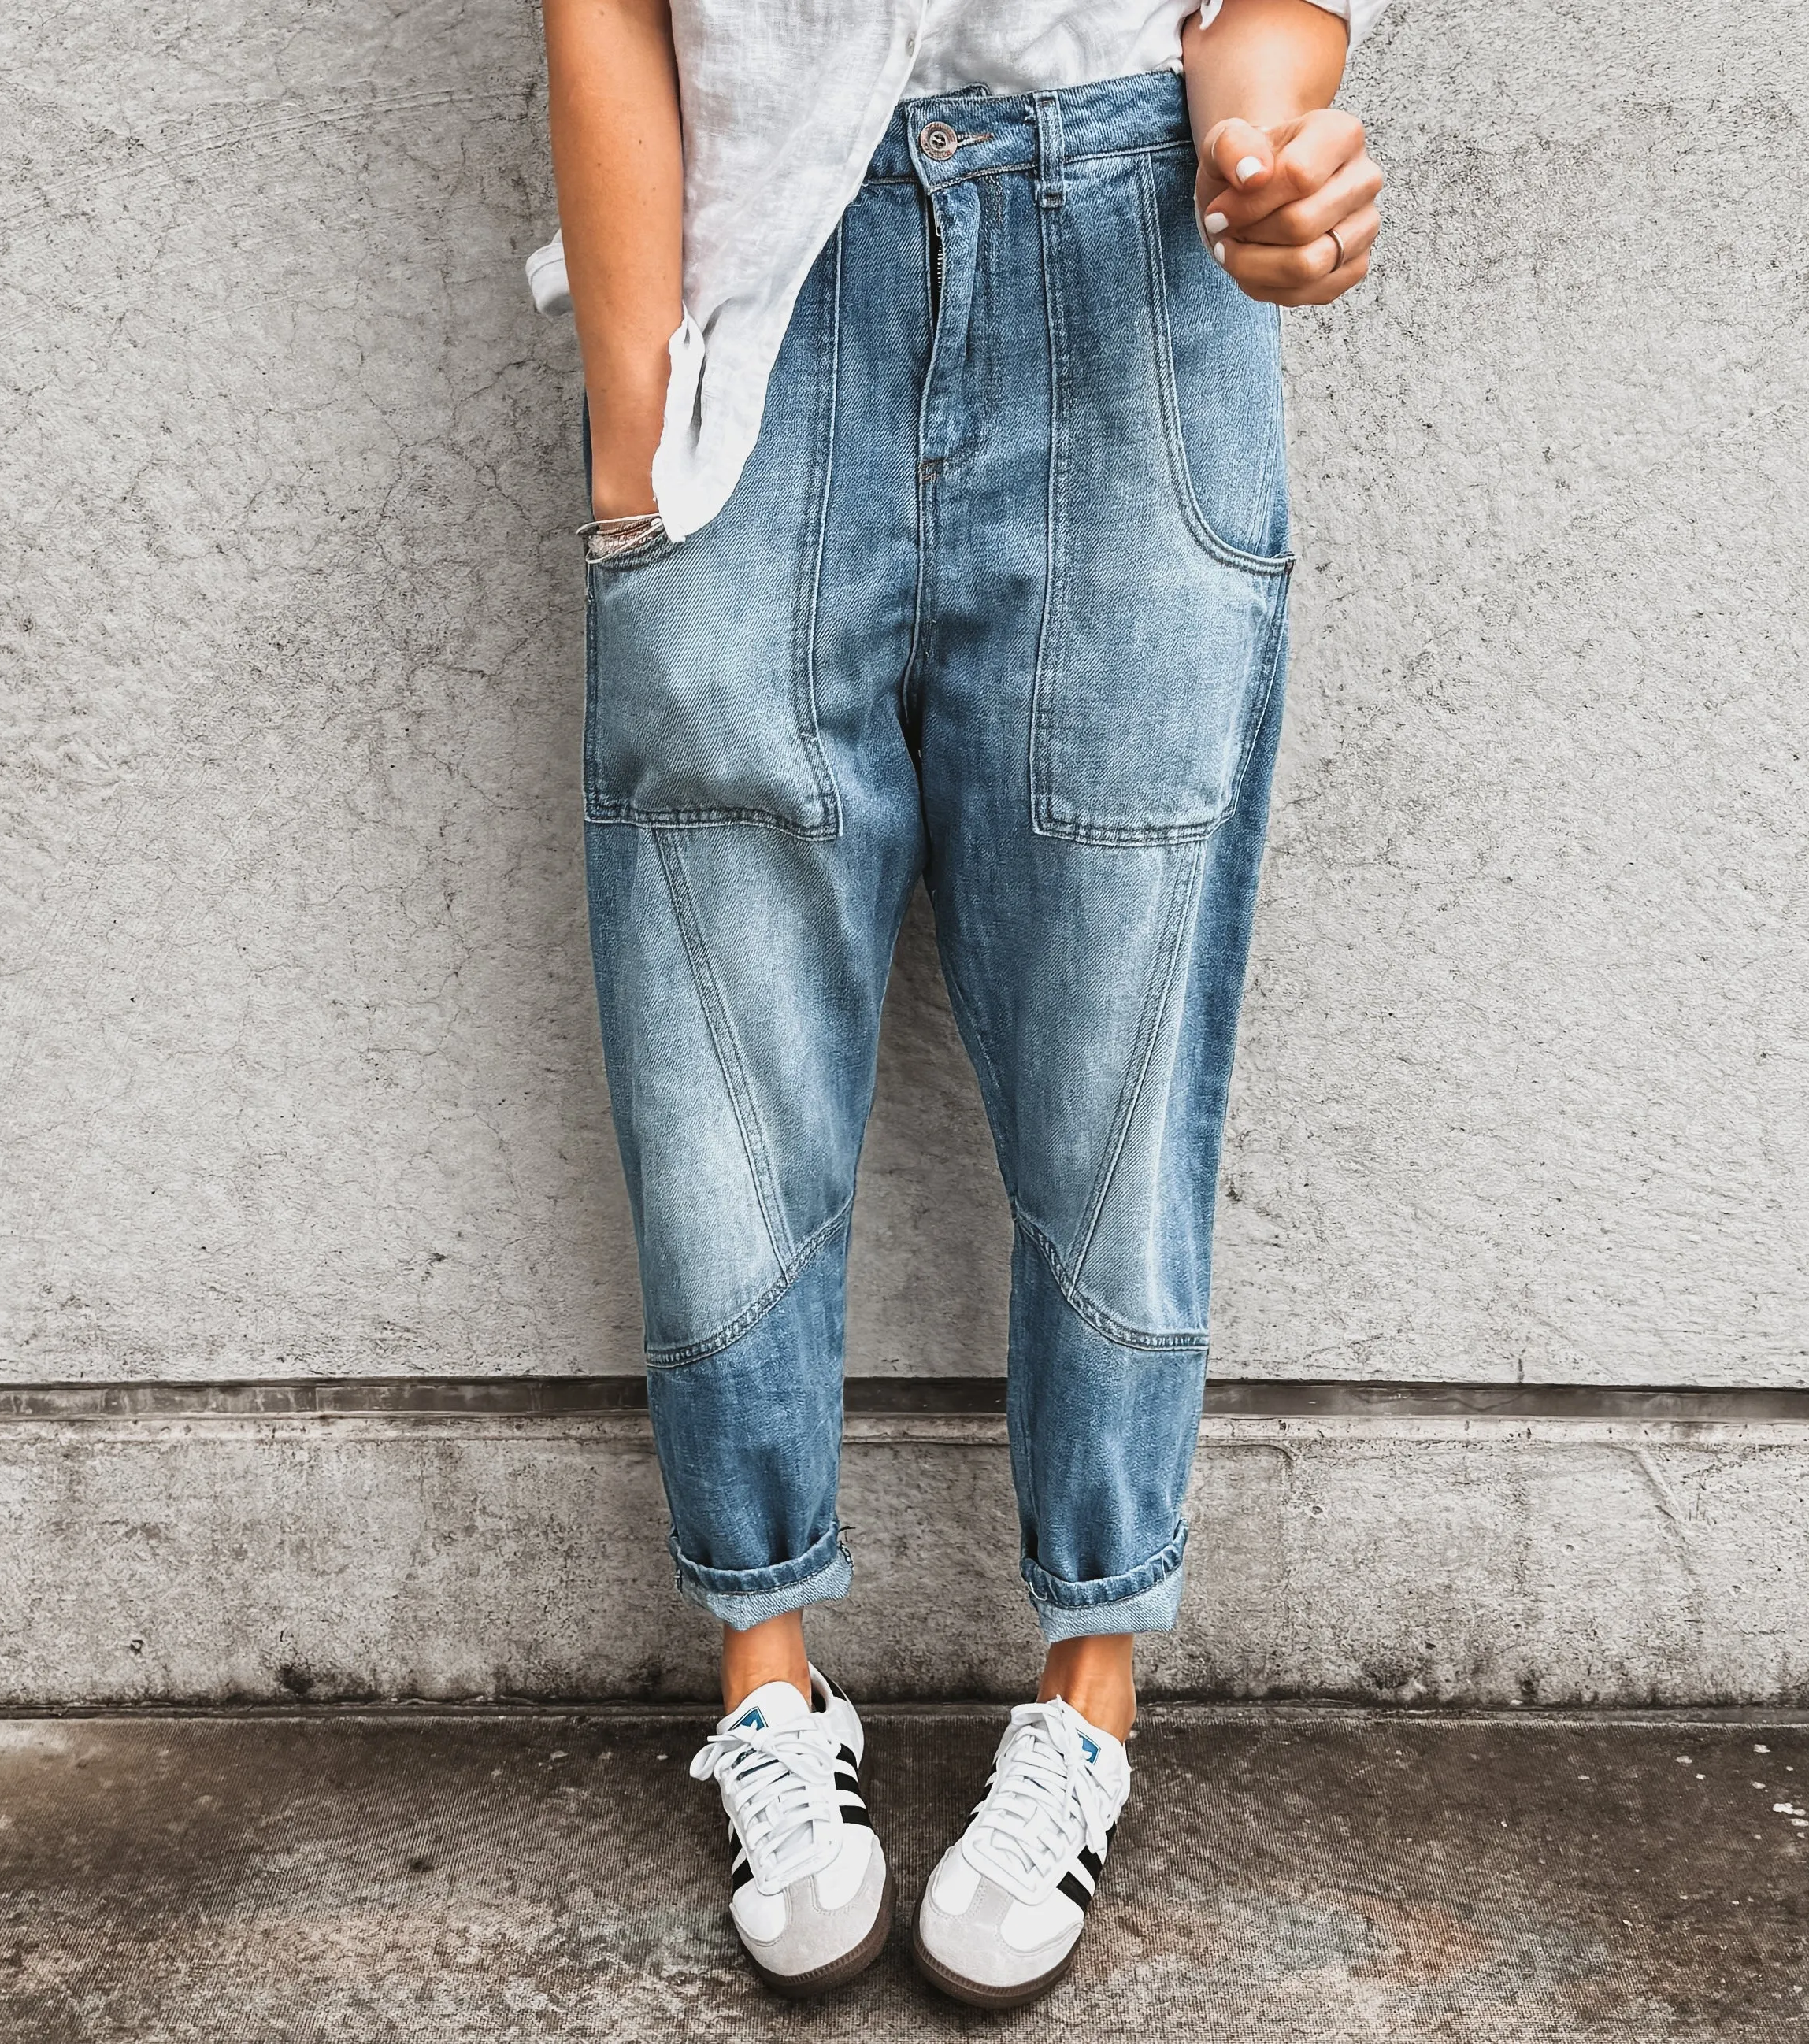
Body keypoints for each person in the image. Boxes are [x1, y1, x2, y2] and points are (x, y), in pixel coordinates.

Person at [536, 0, 1385, 2008]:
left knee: (1117, 1051)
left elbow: (1251, 22)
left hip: (1129, 273)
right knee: (713, 1045)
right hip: (754, 292)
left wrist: (1266, 158)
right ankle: (767, 1683)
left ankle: (1085, 1698)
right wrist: (626, 435)